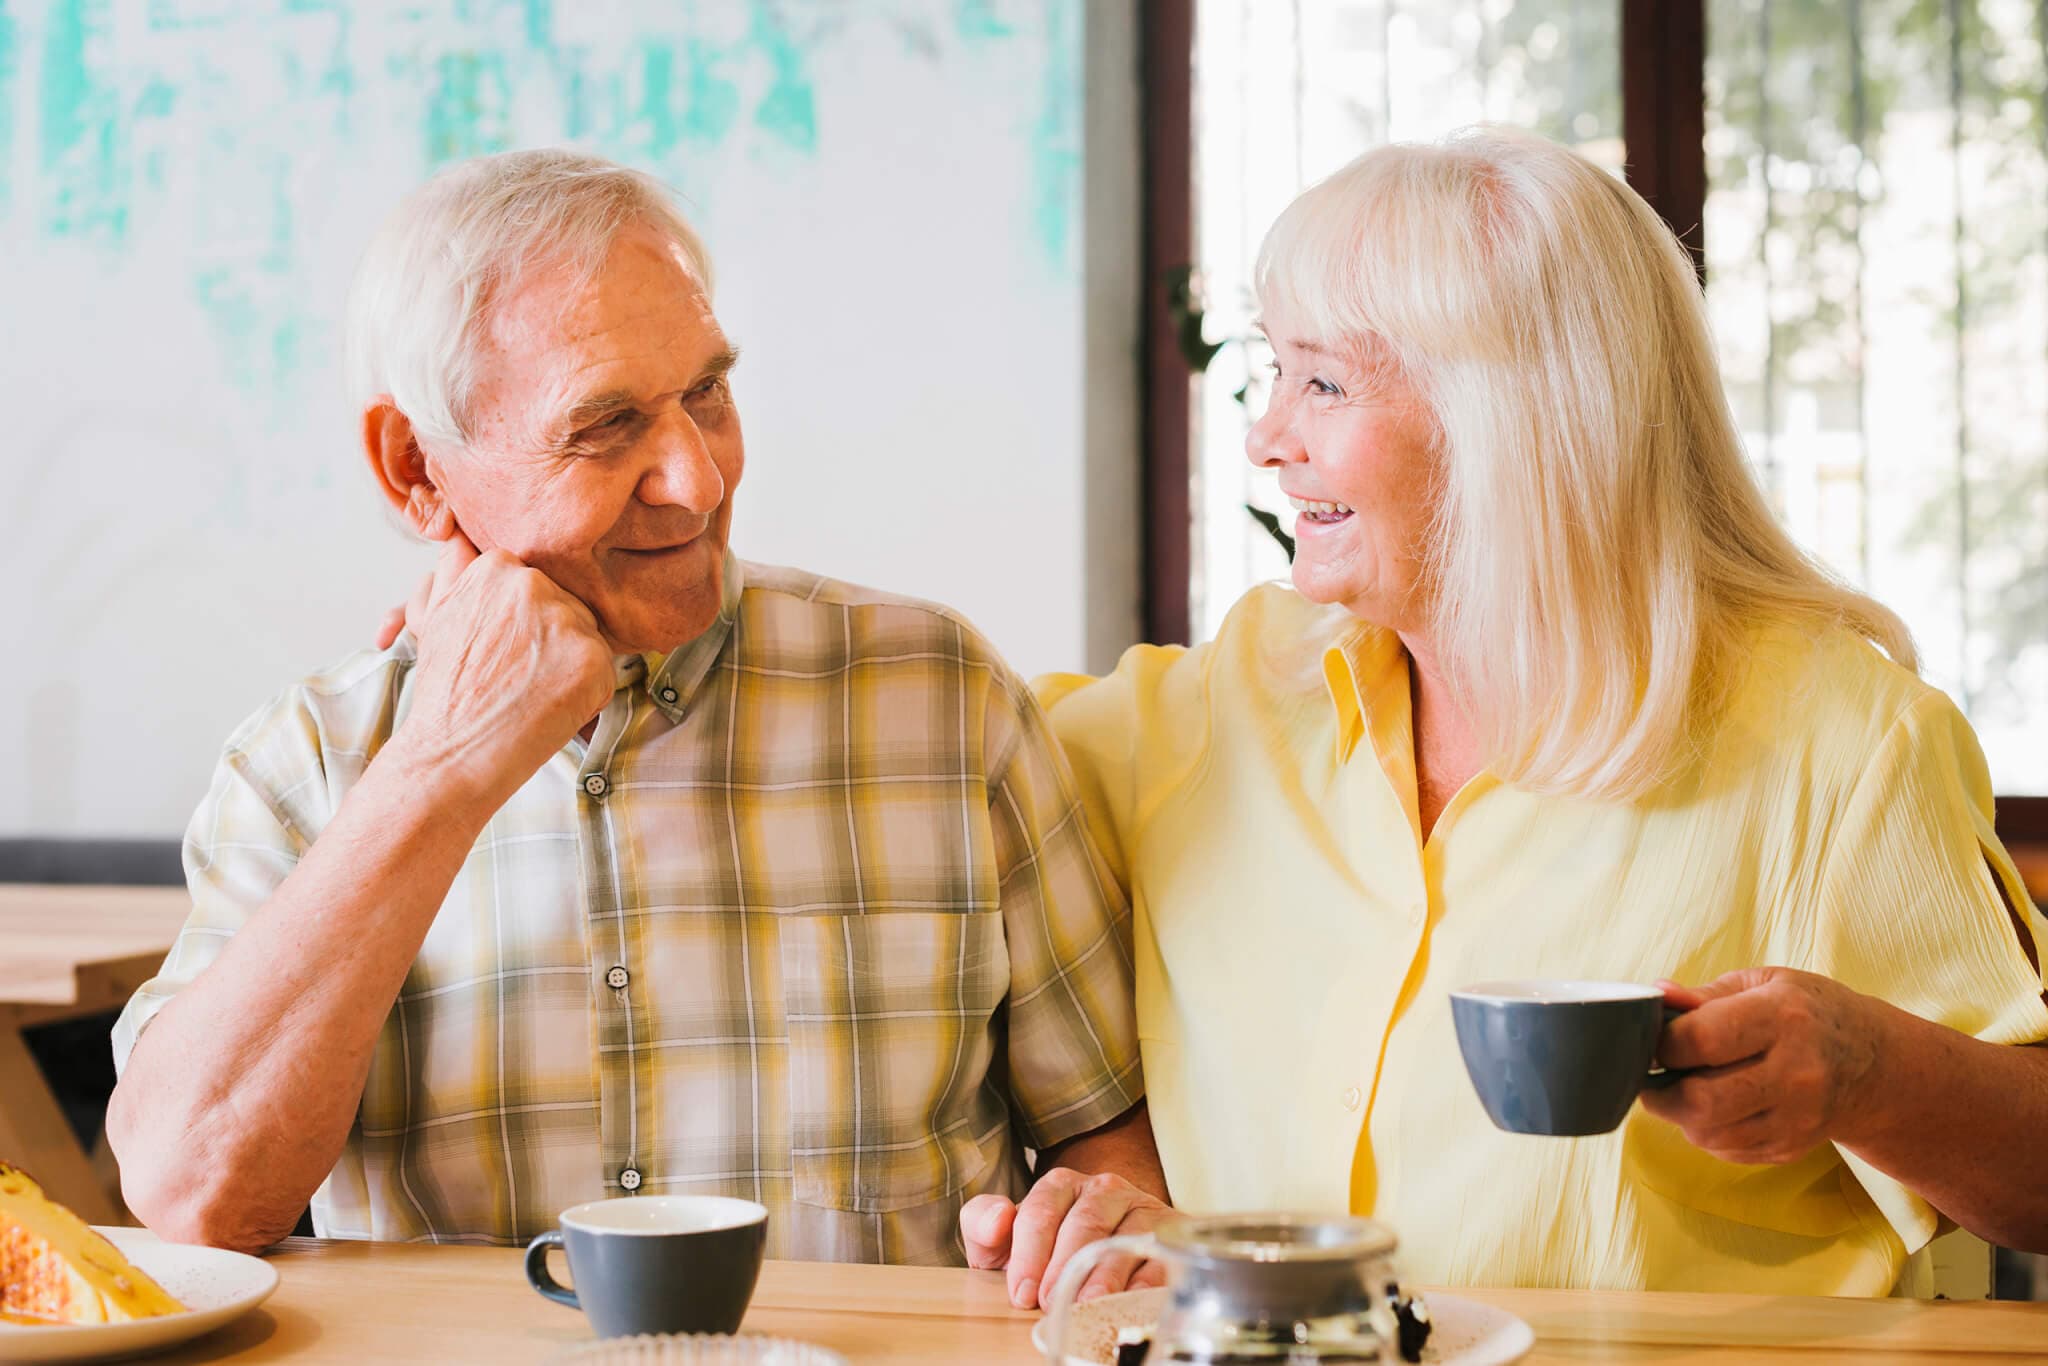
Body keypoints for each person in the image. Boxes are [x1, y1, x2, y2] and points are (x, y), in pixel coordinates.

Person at [105, 150, 1168, 1304]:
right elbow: (191, 1196)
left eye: (707, 392)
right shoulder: (305, 768)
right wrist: (441, 768)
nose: (697, 480)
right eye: (606, 426)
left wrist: (1101, 1220)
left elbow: (1105, 1141)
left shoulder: (941, 699)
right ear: (417, 469)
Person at [1017, 128, 2048, 1295]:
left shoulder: (1842, 743)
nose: (1265, 437)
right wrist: (1113, 1171)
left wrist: (1872, 1073)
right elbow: (942, 756)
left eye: (1322, 381)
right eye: (1273, 370)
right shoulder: (1228, 699)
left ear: (1506, 417)